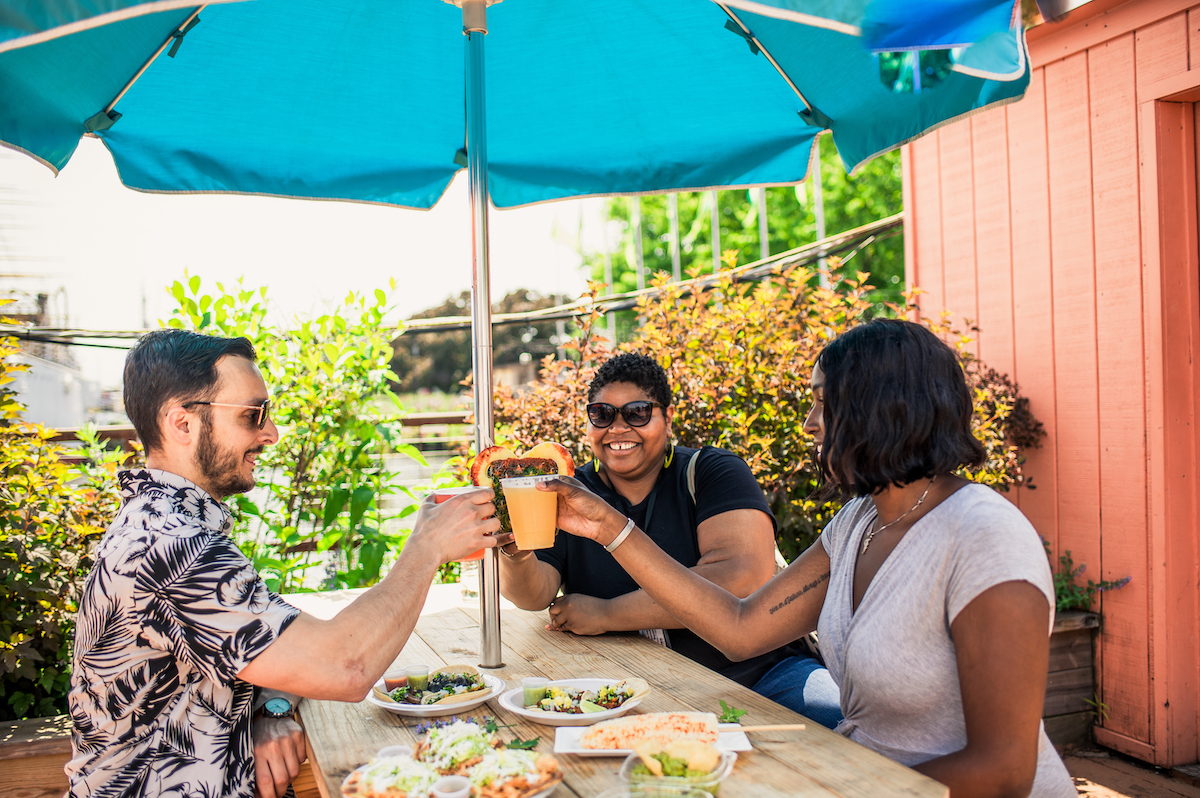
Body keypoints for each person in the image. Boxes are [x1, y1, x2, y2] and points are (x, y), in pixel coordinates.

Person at [540, 321, 1075, 798]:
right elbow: (740, 628)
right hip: (856, 777)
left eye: (823, 402)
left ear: (885, 406)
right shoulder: (859, 522)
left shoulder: (982, 535)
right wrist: (609, 528)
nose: (809, 423)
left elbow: (1004, 772)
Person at [66, 329, 498, 798]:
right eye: (252, 415)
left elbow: (277, 638)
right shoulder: (170, 546)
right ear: (182, 424)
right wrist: (427, 547)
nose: (270, 433)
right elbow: (345, 666)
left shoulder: (164, 522)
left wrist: (269, 708)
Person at [496, 352, 842, 728]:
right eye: (602, 414)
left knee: (842, 721)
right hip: (630, 686)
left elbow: (740, 580)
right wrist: (516, 553)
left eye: (637, 413)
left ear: (669, 417)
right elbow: (534, 596)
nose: (618, 428)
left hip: (761, 677)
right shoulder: (571, 491)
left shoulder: (712, 472)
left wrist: (608, 614)